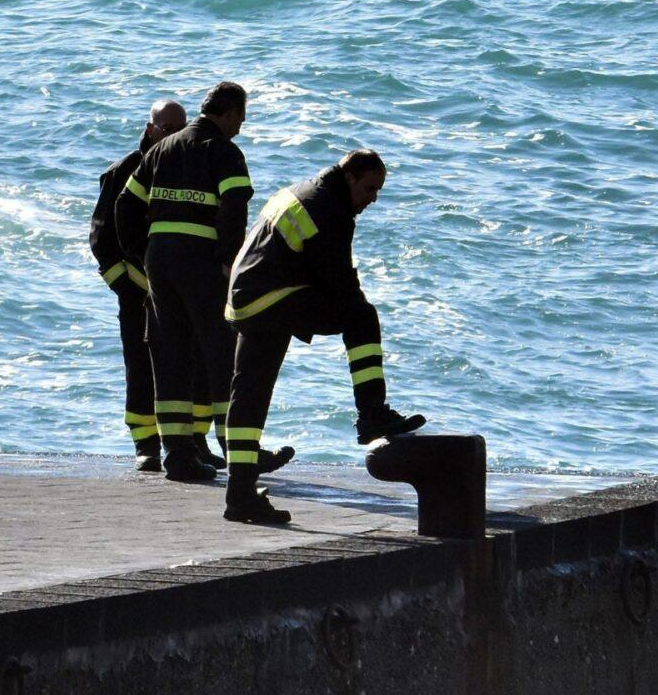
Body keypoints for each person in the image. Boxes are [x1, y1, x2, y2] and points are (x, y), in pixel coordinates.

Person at [218, 150, 426, 525]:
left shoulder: (302, 191)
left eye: (378, 190)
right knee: (362, 317)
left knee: (248, 397)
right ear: (349, 177)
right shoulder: (330, 210)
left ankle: (239, 495)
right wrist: (353, 304)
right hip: (271, 298)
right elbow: (337, 281)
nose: (373, 198)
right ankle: (372, 415)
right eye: (369, 188)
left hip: (245, 298)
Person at [114, 80, 252, 484]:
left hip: (160, 263)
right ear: (226, 114)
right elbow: (234, 213)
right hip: (203, 264)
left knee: (168, 357)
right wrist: (230, 265)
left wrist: (143, 253)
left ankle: (178, 457)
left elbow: (126, 204)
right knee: (221, 354)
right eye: (240, 118)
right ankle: (240, 453)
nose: (240, 127)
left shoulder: (161, 150)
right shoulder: (224, 152)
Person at [91, 97, 186, 471]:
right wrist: (126, 287)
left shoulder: (191, 168)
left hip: (181, 291)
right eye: (166, 130)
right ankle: (145, 445)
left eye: (181, 130)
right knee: (141, 367)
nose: (173, 137)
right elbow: (101, 237)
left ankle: (189, 443)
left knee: (188, 367)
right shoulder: (126, 170)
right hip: (138, 292)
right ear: (149, 129)